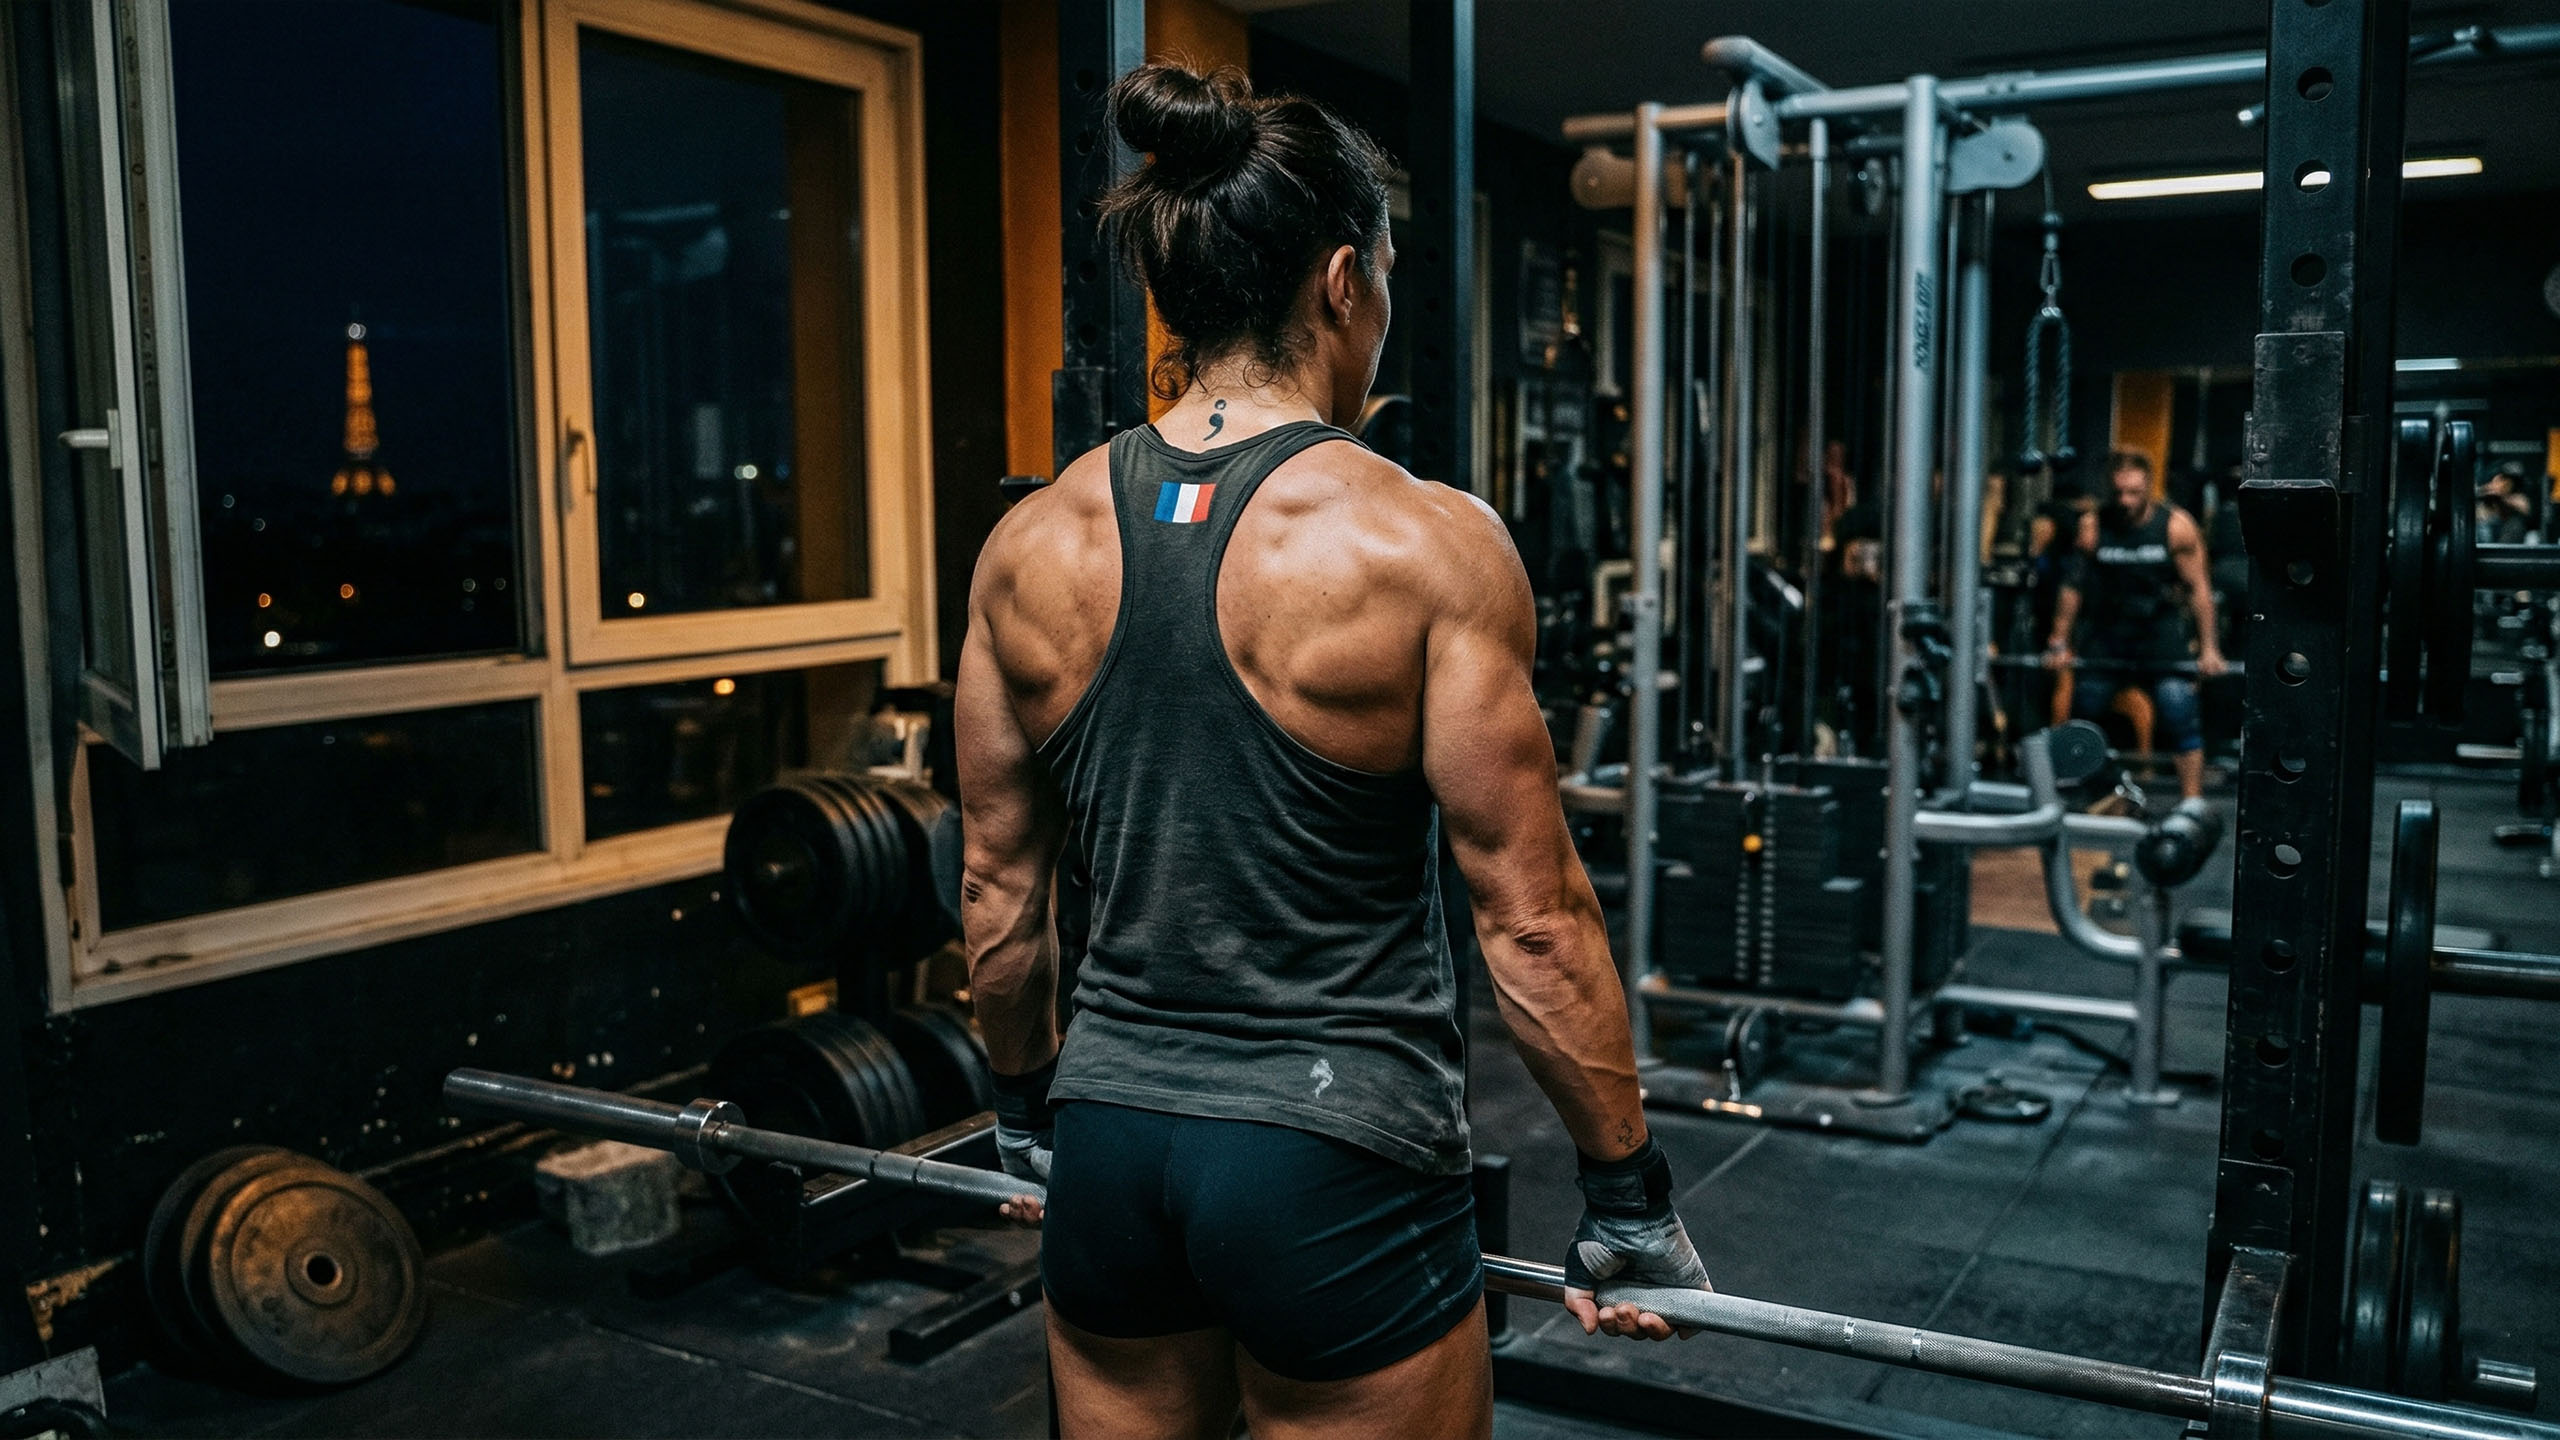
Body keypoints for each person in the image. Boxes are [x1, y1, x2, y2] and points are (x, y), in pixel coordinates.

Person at [954, 64, 1711, 1440]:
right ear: (1344, 280)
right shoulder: (1423, 544)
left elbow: (999, 899)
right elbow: (1534, 926)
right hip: (1336, 1159)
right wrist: (1628, 1196)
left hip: (1111, 1145)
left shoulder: (1028, 548)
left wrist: (1022, 1114)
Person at [2047, 450, 2227, 799]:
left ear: (2149, 488)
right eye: (2119, 494)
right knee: (2085, 710)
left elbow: (2199, 589)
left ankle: (2192, 802)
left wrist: (2209, 648)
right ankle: (2090, 797)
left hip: (2159, 630)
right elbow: (2073, 588)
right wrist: (2058, 640)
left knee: (2178, 709)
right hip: (2108, 631)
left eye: (2134, 493)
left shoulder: (2176, 526)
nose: (2126, 501)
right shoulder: (2093, 526)